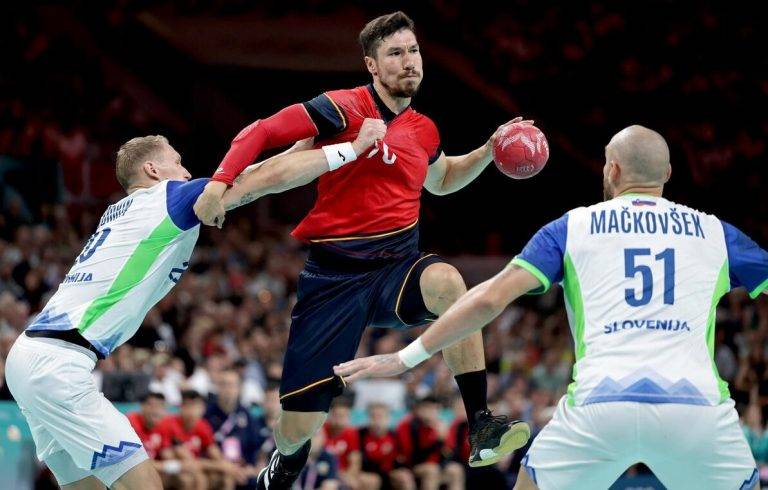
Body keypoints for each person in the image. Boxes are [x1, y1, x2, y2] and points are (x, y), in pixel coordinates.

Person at [192, 11, 531, 487]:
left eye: (413, 51)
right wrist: (222, 181)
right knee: (298, 429)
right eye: (395, 53)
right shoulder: (343, 107)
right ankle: (286, 461)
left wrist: (487, 152)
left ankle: (481, 422)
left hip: (394, 267)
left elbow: (444, 178)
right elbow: (264, 131)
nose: (408, 61)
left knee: (448, 283)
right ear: (372, 65)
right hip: (333, 279)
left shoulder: (423, 129)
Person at [335, 125, 768, 489]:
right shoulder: (715, 233)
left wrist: (405, 356)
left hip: (600, 406)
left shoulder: (573, 227)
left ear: (611, 169)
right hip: (695, 410)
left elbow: (487, 298)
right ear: (668, 173)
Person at [3, 127, 383, 489]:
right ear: (154, 170)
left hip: (30, 356)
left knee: (83, 487)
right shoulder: (169, 196)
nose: (187, 172)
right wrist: (349, 151)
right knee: (142, 483)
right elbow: (262, 182)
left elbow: (248, 176)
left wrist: (298, 151)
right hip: (59, 364)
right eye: (178, 161)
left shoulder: (124, 209)